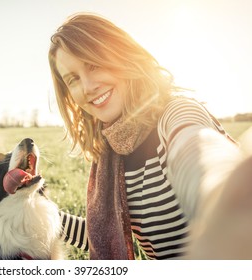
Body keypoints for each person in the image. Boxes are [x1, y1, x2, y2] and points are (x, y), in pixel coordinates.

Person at [49, 13, 252, 259]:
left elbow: (196, 151)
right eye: (73, 79)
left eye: (94, 64)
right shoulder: (112, 154)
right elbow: (103, 239)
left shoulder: (177, 113)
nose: (88, 86)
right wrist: (40, 214)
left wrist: (224, 191)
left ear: (120, 54)